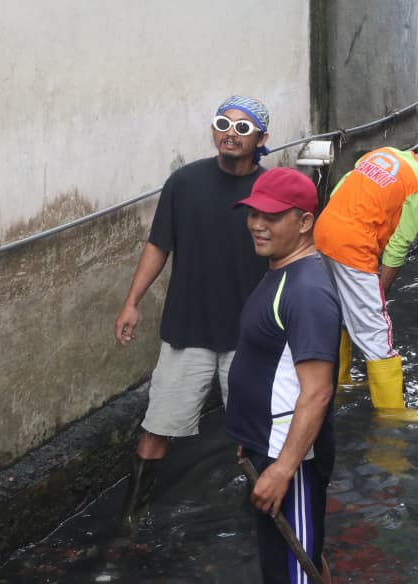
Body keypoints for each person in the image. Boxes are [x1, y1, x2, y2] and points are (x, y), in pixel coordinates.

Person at [114, 95, 271, 523]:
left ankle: (262, 524)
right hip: (189, 331)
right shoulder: (183, 183)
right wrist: (132, 303)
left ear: (262, 138)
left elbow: (291, 258)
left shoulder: (270, 190)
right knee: (156, 428)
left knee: (258, 437)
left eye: (243, 128)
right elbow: (158, 245)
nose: (230, 134)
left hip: (250, 337)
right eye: (223, 124)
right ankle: (130, 522)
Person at [226, 167, 339, 584]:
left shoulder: (306, 291)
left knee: (296, 572)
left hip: (289, 458)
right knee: (302, 557)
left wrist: (282, 469)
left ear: (305, 222)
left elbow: (317, 393)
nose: (257, 224)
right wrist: (249, 439)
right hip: (266, 446)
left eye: (272, 216)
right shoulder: (280, 273)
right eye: (254, 213)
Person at [313, 139, 418, 423]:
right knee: (377, 331)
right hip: (353, 248)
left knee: (338, 312)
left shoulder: (383, 154)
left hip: (323, 234)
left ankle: (342, 381)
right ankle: (392, 413)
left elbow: (341, 187)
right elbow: (399, 245)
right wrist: (382, 287)